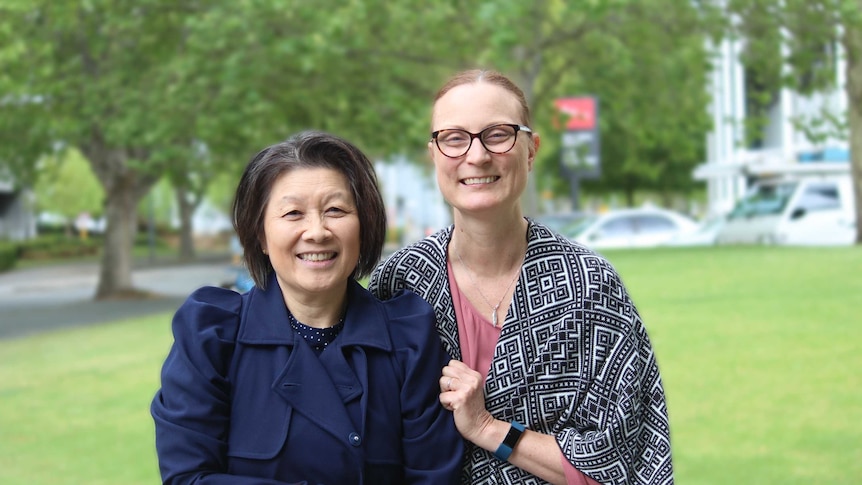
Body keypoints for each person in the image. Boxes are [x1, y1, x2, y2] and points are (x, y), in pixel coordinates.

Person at [369, 69, 673, 485]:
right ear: (434, 156)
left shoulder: (590, 285)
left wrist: (487, 428)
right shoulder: (400, 281)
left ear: (531, 150)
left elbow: (618, 463)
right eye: (454, 138)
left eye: (498, 134)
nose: (476, 156)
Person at [151, 131, 464, 484]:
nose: (317, 231)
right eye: (293, 213)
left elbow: (434, 476)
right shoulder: (211, 335)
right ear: (260, 235)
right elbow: (188, 478)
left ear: (364, 225)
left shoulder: (409, 340)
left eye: (335, 210)